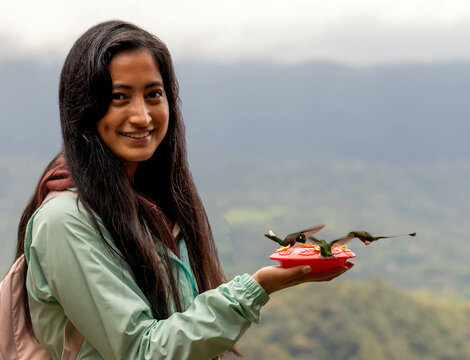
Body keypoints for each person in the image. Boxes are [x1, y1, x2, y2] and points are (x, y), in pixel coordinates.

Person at [15, 20, 353, 359]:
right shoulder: (64, 222)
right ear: (82, 107)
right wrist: (256, 289)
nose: (142, 116)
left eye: (153, 94)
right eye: (119, 97)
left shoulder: (153, 206)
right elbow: (141, 350)